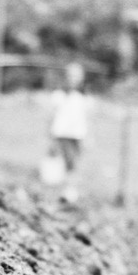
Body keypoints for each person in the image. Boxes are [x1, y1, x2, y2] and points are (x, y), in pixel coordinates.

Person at [48, 61, 89, 200]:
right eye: (70, 76)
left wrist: (88, 137)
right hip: (61, 134)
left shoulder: (82, 97)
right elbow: (52, 116)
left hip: (76, 135)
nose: (73, 79)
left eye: (76, 76)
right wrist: (50, 135)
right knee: (62, 164)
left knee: (74, 164)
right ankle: (61, 192)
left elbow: (85, 118)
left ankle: (69, 191)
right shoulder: (58, 95)